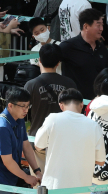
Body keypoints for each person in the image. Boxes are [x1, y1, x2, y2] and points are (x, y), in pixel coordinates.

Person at [25, 43, 76, 174]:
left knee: (40, 185)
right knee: (60, 184)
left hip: (37, 141)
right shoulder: (70, 84)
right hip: (64, 140)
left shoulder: (31, 85)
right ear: (58, 63)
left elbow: (21, 114)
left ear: (39, 60)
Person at [60, 8, 108, 100]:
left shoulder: (102, 49)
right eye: (98, 25)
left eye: (102, 25)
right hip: (74, 102)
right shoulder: (68, 47)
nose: (102, 29)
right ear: (86, 26)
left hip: (97, 103)